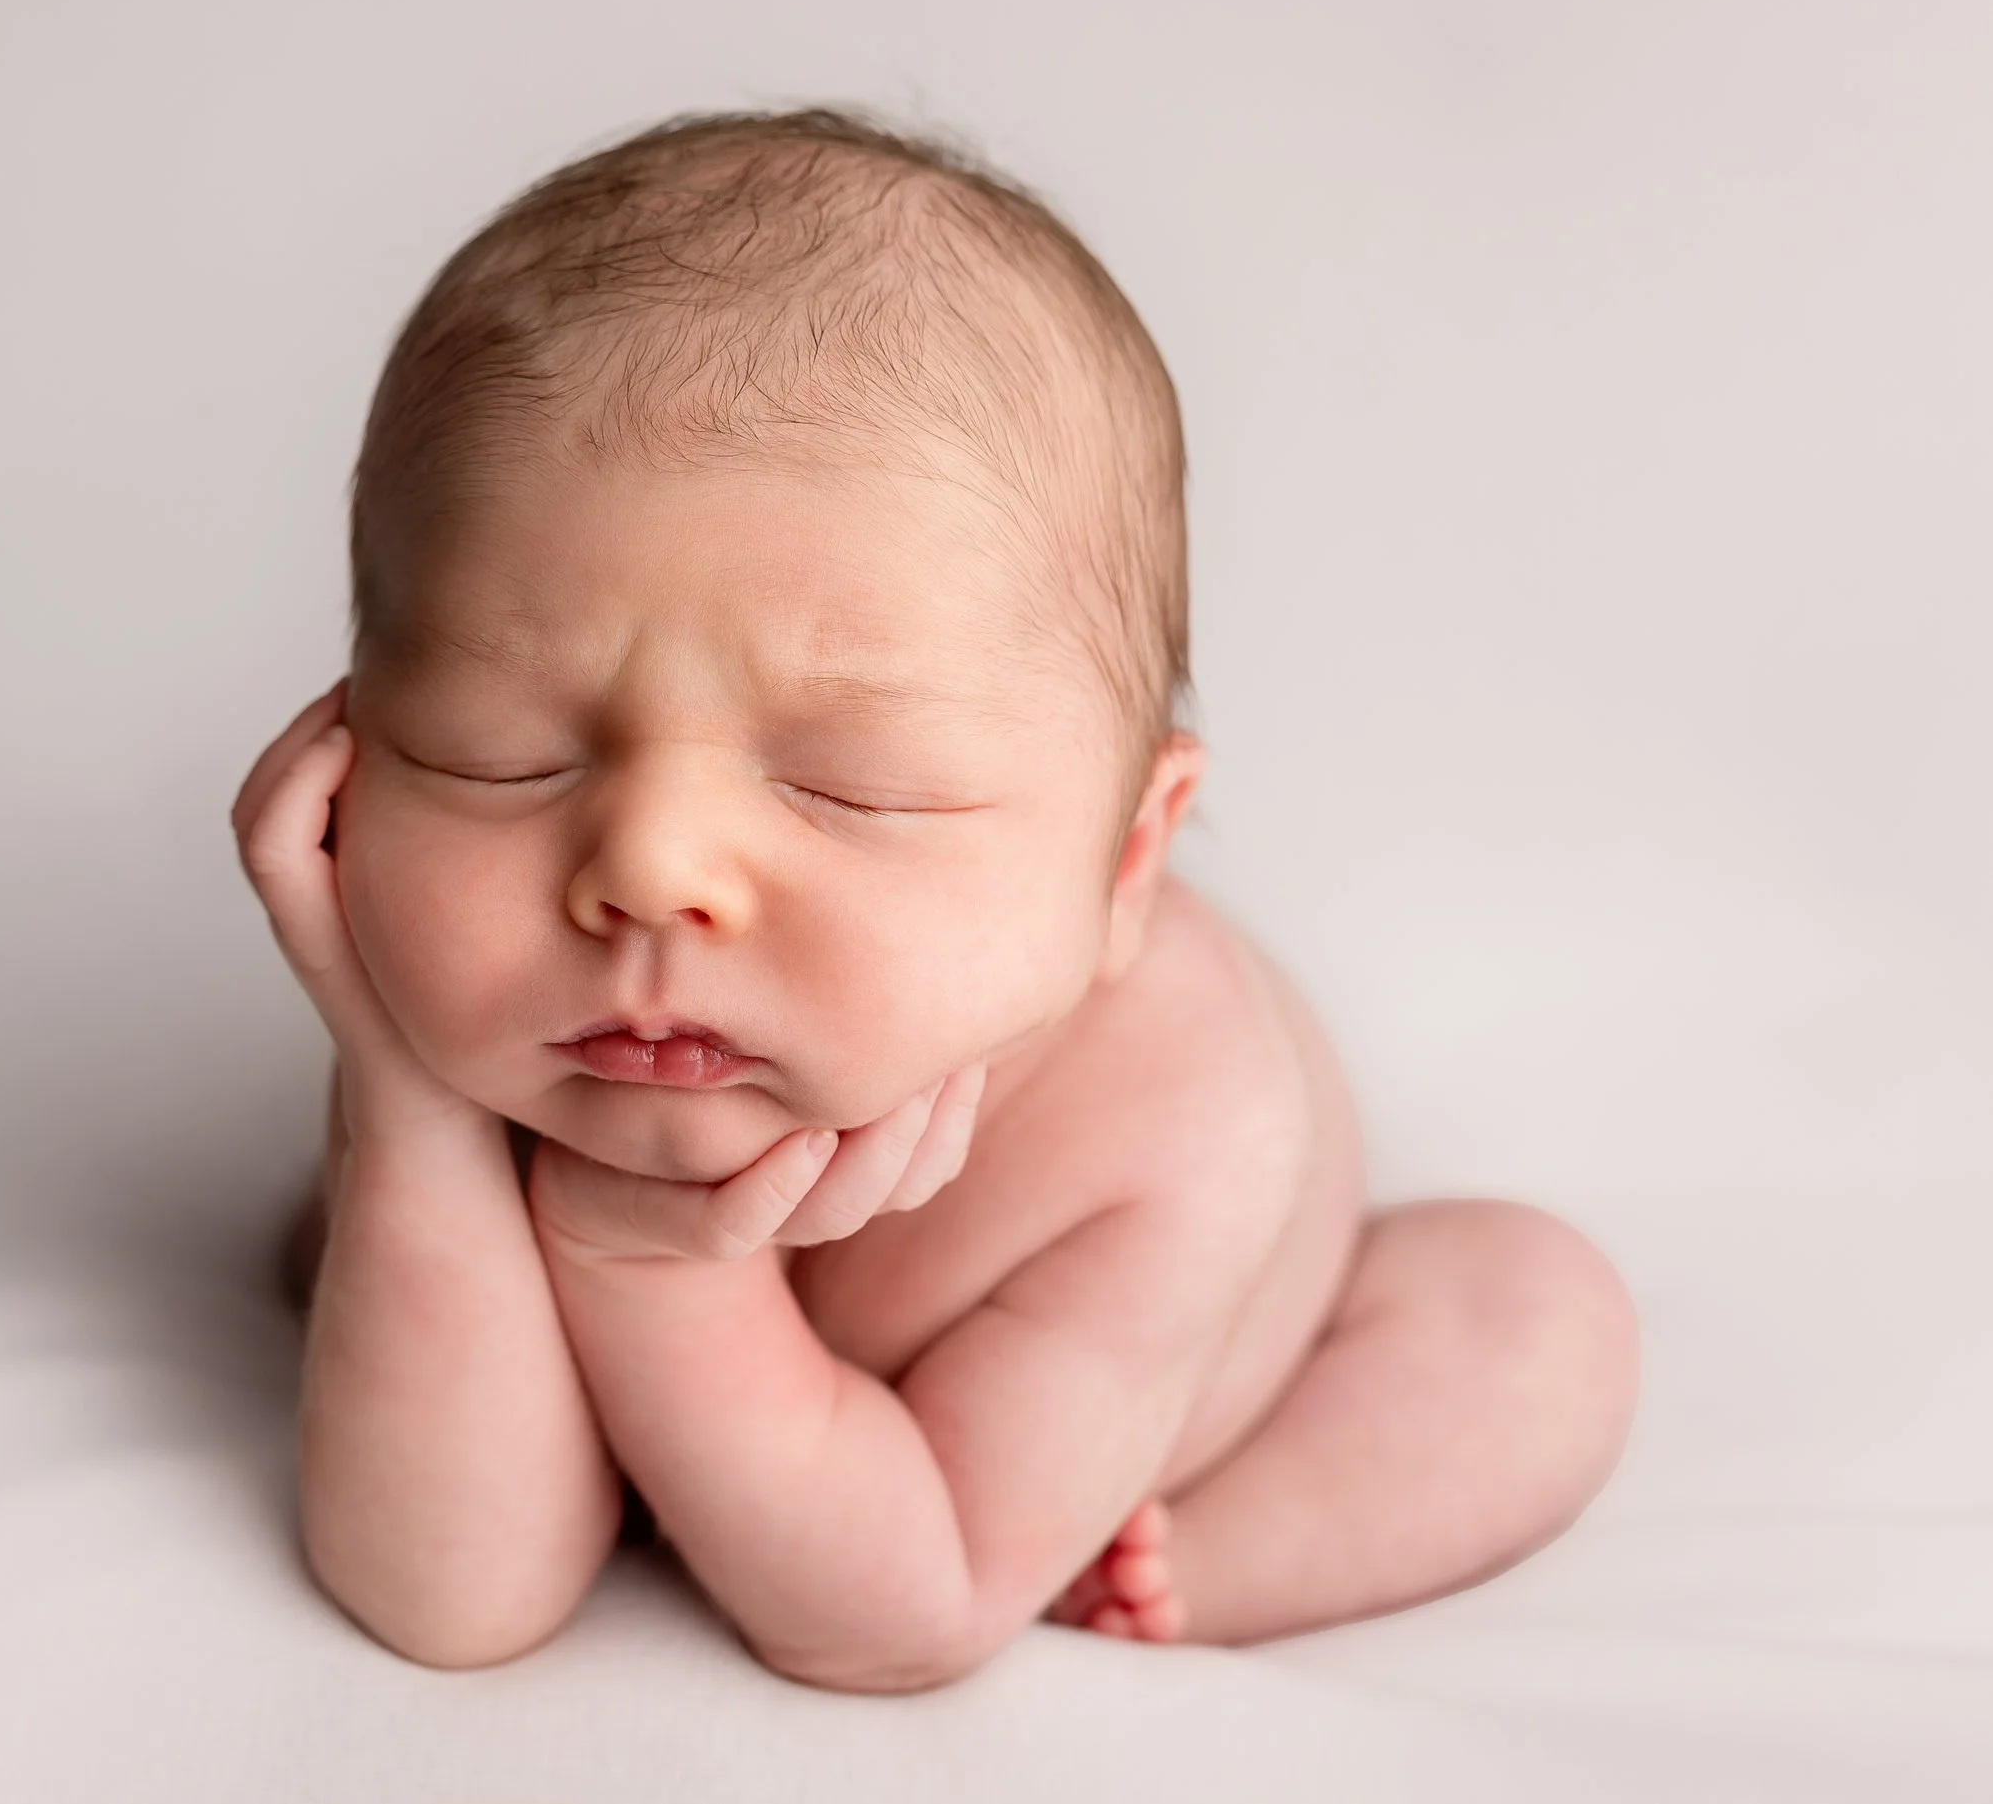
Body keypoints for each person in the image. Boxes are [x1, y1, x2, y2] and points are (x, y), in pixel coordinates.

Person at [231, 108, 1640, 1693]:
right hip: (662, 1322)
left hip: (1060, 1458)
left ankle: (1199, 1563)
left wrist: (652, 1270)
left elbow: (899, 1612)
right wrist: (406, 1104)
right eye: (497, 759)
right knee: (348, 1261)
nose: (645, 870)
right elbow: (455, 1601)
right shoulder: (509, 1018)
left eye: (853, 788)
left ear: (1125, 859)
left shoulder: (1175, 1125)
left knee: (1539, 1326)